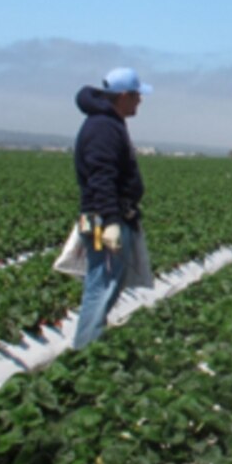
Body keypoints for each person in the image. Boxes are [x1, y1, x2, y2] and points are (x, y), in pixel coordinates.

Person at [72, 67, 151, 349]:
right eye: (137, 96)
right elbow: (100, 177)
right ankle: (84, 355)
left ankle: (91, 345)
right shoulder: (103, 127)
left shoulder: (109, 122)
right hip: (100, 220)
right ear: (124, 96)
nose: (140, 102)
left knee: (105, 284)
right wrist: (111, 221)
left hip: (102, 218)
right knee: (101, 287)